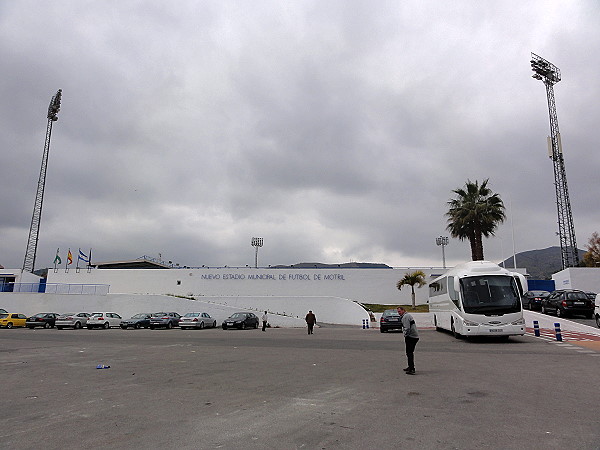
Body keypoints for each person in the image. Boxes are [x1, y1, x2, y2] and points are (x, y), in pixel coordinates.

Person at [397, 306, 419, 375]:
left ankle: (412, 369)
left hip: (411, 336)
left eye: (399, 311)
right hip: (414, 336)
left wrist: (405, 335)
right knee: (409, 352)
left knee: (409, 352)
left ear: (403, 310)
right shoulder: (407, 315)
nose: (399, 313)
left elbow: (407, 328)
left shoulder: (406, 317)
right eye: (398, 312)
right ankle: (410, 366)